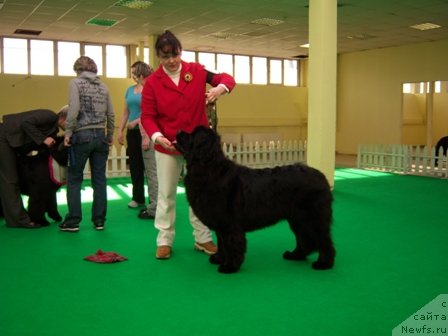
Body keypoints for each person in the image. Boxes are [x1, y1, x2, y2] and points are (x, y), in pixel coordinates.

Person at [141, 30, 236, 259]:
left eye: (175, 54)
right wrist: (156, 137)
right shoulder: (153, 83)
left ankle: (203, 238)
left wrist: (219, 89)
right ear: (158, 57)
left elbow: (227, 79)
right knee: (166, 194)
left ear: (180, 52)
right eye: (165, 57)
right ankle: (164, 240)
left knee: (202, 194)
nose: (172, 61)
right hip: (168, 146)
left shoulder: (196, 71)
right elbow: (147, 117)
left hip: (199, 149)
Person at [59, 56, 114, 232]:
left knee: (74, 180)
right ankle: (99, 220)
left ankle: (73, 221)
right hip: (100, 136)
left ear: (78, 70)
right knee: (99, 180)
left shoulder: (75, 83)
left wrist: (68, 132)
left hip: (81, 136)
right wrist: (110, 134)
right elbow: (111, 114)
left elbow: (73, 109)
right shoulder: (104, 86)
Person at [0, 108, 67, 228]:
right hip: (4, 136)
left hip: (12, 142)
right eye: (71, 122)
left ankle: (12, 215)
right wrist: (43, 139)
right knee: (10, 180)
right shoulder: (49, 115)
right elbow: (26, 123)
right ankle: (19, 220)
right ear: (63, 117)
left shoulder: (54, 129)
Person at [117, 61, 158, 218]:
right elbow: (125, 113)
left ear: (140, 73)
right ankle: (138, 198)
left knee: (150, 168)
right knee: (135, 166)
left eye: (134, 72)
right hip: (132, 133)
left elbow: (151, 111)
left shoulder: (150, 89)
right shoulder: (129, 90)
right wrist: (120, 130)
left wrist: (138, 122)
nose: (132, 75)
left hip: (146, 131)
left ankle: (153, 202)